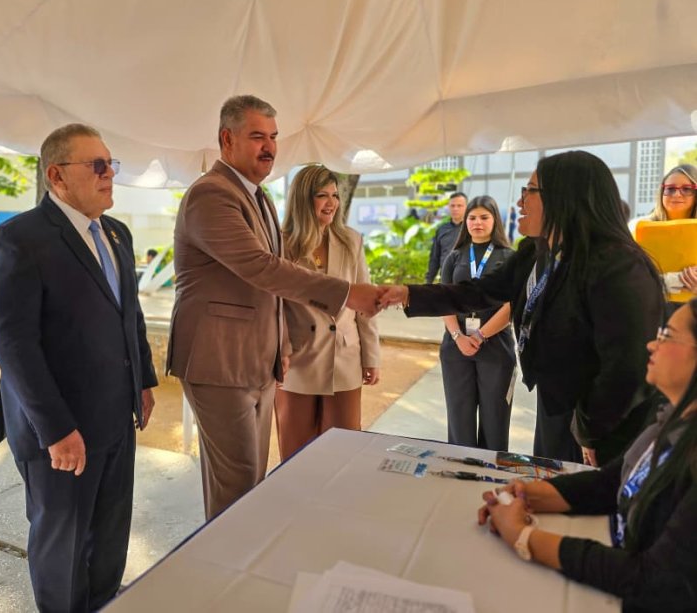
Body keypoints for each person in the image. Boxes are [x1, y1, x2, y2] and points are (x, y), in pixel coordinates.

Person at [167, 94, 382, 520]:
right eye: (257, 137)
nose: (269, 147)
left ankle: (242, 566)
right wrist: (346, 293)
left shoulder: (257, 197)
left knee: (251, 481)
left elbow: (271, 291)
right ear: (227, 140)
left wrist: (281, 342)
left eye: (274, 137)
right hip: (219, 361)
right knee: (239, 486)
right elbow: (260, 268)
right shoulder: (212, 194)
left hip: (257, 363)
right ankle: (229, 575)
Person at [382, 151, 664, 465]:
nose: (520, 203)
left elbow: (627, 366)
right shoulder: (540, 250)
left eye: (529, 191)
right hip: (556, 400)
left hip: (601, 420)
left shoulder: (619, 267)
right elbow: (482, 291)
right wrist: (406, 294)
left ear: (564, 197)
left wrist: (590, 430)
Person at [0, 124, 157, 612]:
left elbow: (130, 315)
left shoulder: (116, 233)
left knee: (109, 540)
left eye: (111, 164)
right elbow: (14, 346)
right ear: (57, 176)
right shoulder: (16, 240)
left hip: (117, 418)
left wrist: (142, 379)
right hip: (60, 432)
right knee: (63, 548)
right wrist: (56, 428)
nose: (109, 175)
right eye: (97, 166)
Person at [477, 298, 697, 611]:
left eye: (667, 335)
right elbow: (612, 483)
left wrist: (524, 537)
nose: (651, 344)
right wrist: (530, 494)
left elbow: (655, 580)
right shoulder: (672, 419)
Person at [275, 165, 381, 460]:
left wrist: (371, 356)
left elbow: (365, 304)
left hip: (344, 359)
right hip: (296, 361)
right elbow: (275, 305)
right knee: (296, 454)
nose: (331, 203)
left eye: (335, 195)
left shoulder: (351, 240)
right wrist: (279, 349)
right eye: (322, 195)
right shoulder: (281, 244)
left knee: (342, 452)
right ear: (302, 199)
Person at [438, 196, 516, 450]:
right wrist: (459, 336)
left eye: (484, 217)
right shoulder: (455, 256)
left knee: (495, 419)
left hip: (495, 347)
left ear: (496, 220)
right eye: (472, 218)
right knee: (460, 419)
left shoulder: (509, 257)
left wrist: (481, 335)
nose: (477, 223)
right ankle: (459, 474)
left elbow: (513, 305)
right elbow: (444, 300)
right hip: (456, 346)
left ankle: (490, 477)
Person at [647, 164, 697, 298]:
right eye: (670, 189)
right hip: (651, 310)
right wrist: (677, 280)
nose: (676, 194)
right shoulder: (638, 227)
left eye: (686, 189)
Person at [425, 192, 467, 283]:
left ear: (466, 207)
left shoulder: (472, 229)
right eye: (452, 206)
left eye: (459, 206)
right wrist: (428, 281)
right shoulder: (442, 230)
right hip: (445, 280)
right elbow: (434, 258)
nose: (455, 209)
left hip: (466, 282)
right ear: (448, 207)